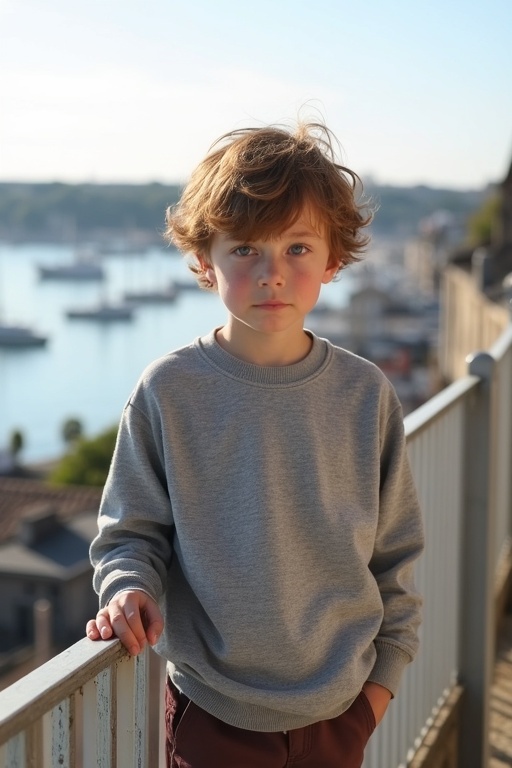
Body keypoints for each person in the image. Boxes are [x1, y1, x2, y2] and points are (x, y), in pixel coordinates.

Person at [87, 121, 424, 768]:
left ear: (332, 259)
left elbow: (396, 557)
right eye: (245, 250)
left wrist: (376, 695)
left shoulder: (365, 394)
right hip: (215, 713)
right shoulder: (169, 391)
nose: (273, 273)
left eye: (298, 248)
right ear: (205, 262)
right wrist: (128, 587)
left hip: (340, 712)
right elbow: (130, 531)